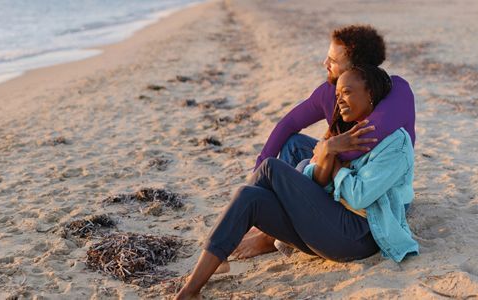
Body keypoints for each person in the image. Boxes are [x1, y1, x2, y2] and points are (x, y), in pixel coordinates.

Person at [174, 65, 418, 300]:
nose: (340, 100)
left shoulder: (395, 143)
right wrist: (327, 150)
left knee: (270, 167)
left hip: (358, 236)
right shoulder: (349, 133)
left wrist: (335, 167)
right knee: (249, 196)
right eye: (337, 94)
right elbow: (315, 179)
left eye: (347, 92)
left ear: (371, 94)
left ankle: (230, 240)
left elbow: (359, 196)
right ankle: (191, 290)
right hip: (329, 227)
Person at [234, 24, 416, 260]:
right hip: (343, 173)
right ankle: (274, 217)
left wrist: (326, 152)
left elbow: (364, 141)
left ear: (356, 68)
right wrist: (259, 168)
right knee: (293, 143)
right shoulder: (329, 93)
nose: (325, 64)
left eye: (332, 60)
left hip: (379, 186)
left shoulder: (394, 92)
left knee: (305, 165)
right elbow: (288, 124)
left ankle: (273, 234)